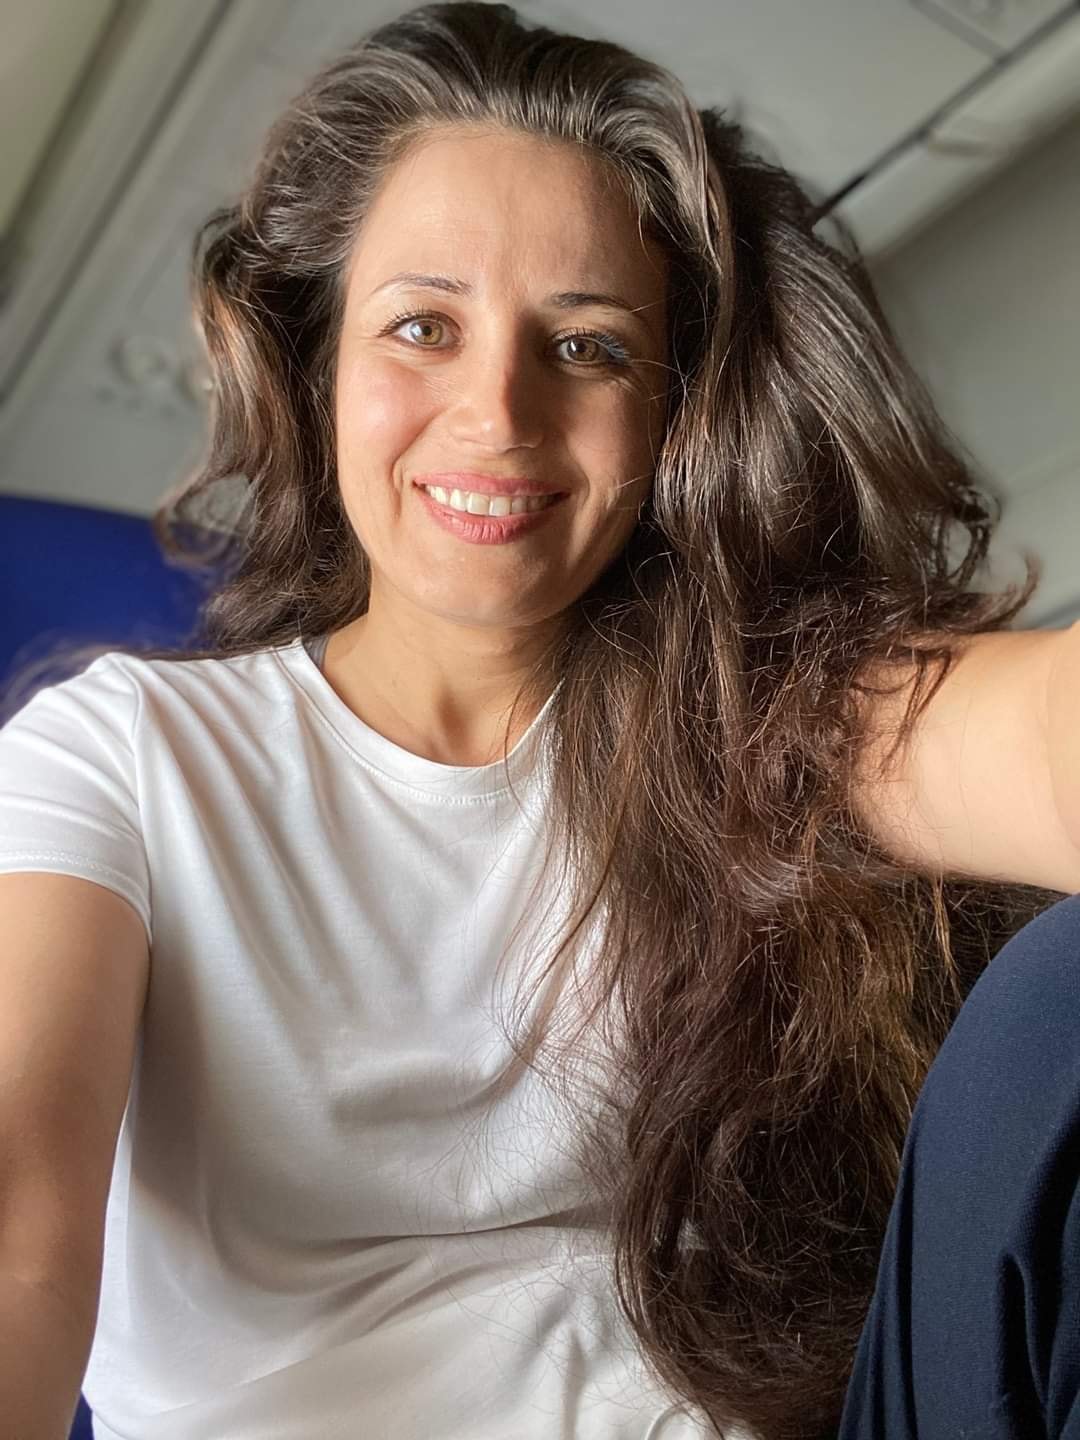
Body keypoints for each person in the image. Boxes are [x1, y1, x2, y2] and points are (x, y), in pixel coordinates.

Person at [0, 3, 1076, 1437]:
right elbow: (18, 1204)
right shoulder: (122, 760)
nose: (498, 412)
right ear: (318, 367)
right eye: (423, 327)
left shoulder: (745, 716)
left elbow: (1043, 741)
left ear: (672, 415)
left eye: (586, 347)